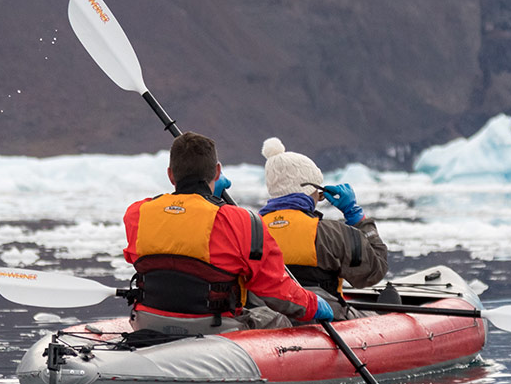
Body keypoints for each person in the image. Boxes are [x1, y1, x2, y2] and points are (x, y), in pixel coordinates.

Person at [121, 131, 330, 336]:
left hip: (149, 320)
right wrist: (312, 305)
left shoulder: (137, 213)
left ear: (170, 174)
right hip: (214, 326)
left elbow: (137, 256)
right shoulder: (242, 221)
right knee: (277, 318)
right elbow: (274, 289)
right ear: (218, 172)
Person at [255, 138, 389, 318]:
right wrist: (356, 217)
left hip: (266, 318)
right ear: (308, 189)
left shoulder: (251, 230)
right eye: (318, 190)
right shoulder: (331, 233)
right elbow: (373, 272)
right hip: (324, 320)